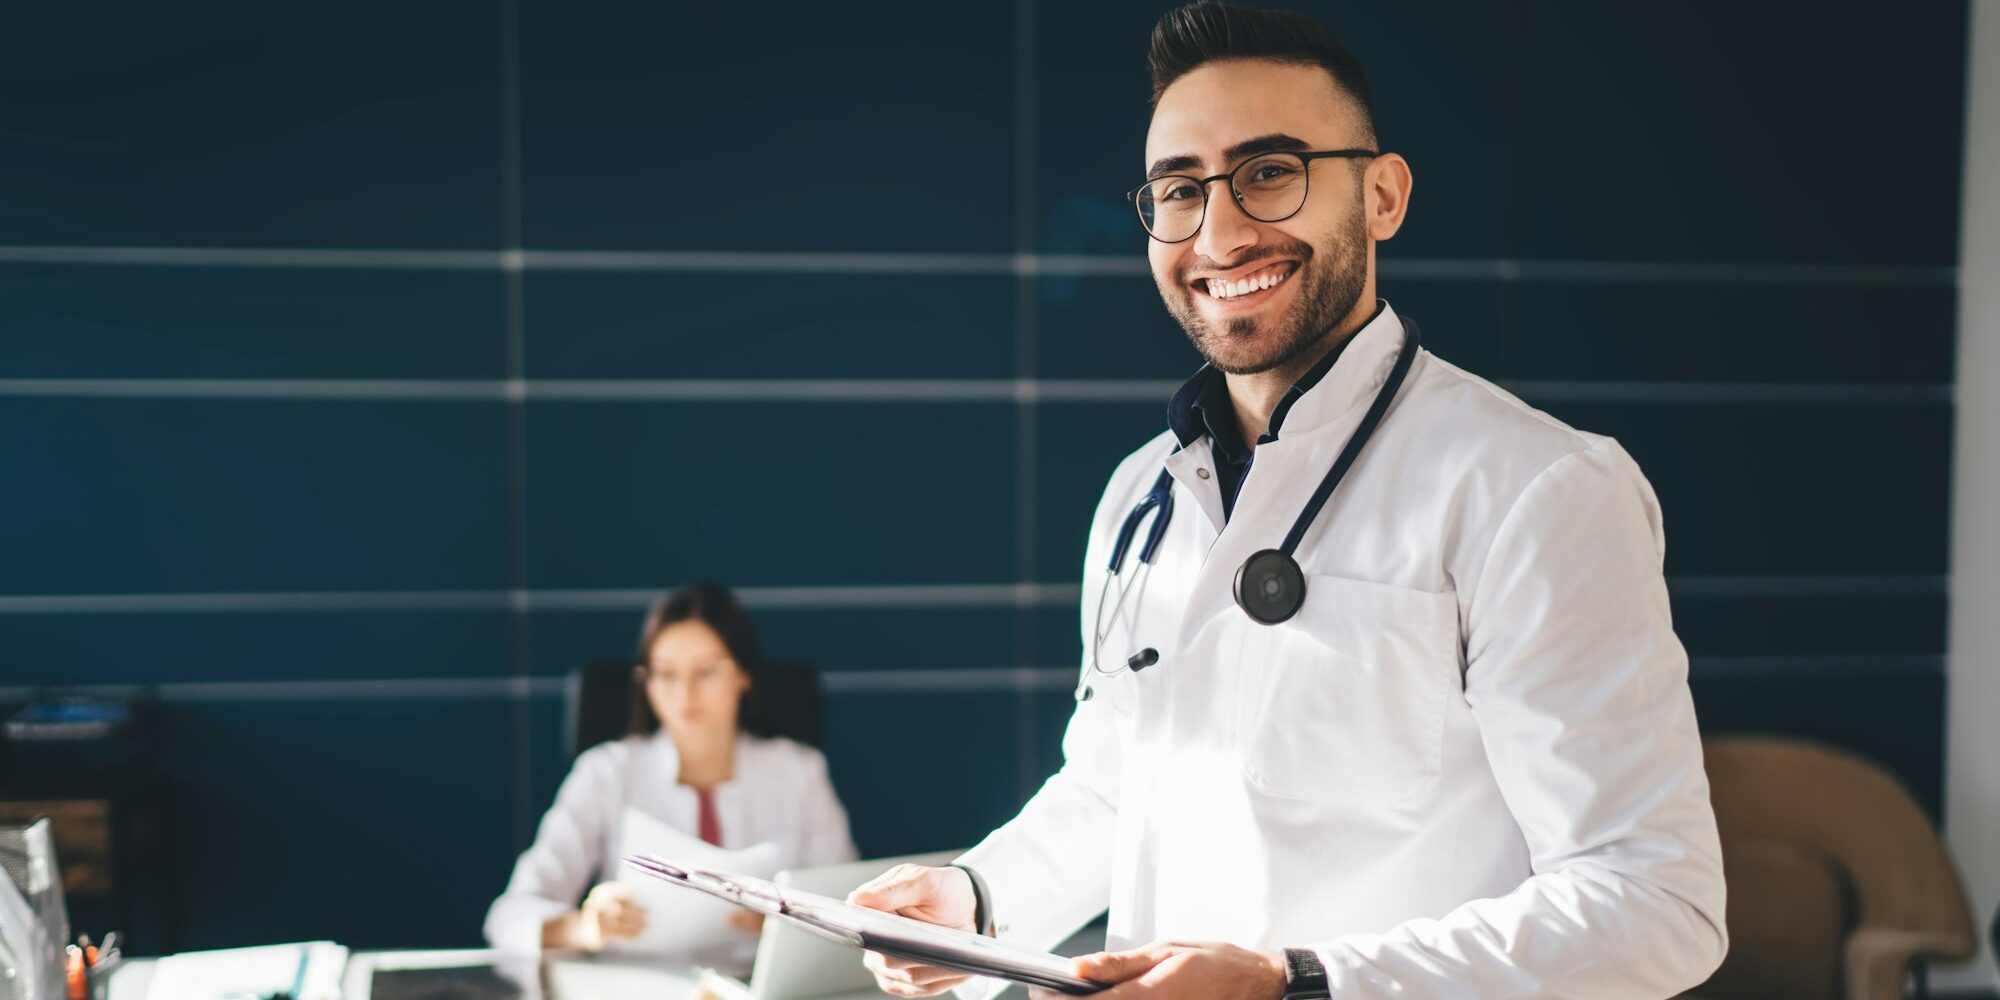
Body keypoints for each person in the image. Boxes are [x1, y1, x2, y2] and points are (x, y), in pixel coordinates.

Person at [848, 4, 1727, 998]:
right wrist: (974, 896)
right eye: (1179, 189)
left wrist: (1295, 982)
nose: (1219, 232)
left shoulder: (1535, 489)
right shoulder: (1142, 496)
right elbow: (1117, 785)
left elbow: (1651, 898)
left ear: (1382, 194)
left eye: (1269, 172)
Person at [485, 582, 857, 957]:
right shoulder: (606, 772)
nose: (685, 694)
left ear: (744, 675)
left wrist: (792, 925)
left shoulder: (799, 771)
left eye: (706, 672)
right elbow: (509, 915)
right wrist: (580, 927)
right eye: (665, 674)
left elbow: (851, 916)